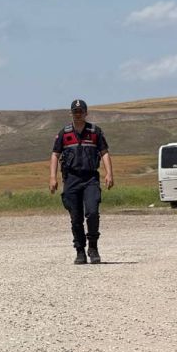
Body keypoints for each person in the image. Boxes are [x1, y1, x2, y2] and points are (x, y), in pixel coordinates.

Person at [49, 99, 114, 264]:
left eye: (81, 111)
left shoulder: (95, 132)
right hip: (71, 179)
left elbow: (104, 152)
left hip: (90, 178)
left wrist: (109, 173)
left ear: (86, 113)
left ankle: (93, 248)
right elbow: (55, 154)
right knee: (76, 217)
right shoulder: (64, 133)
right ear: (71, 113)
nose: (78, 114)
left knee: (92, 212)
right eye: (75, 112)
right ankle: (80, 251)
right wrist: (52, 177)